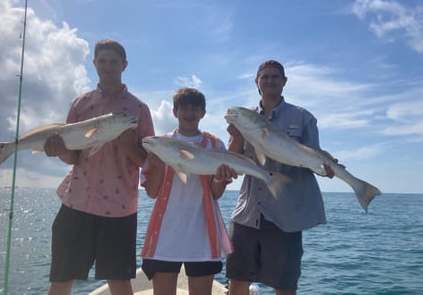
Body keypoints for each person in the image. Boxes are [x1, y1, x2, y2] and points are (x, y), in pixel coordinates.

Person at [43, 39, 154, 295]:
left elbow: (148, 163)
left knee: (120, 282)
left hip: (119, 210)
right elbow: (72, 157)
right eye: (102, 61)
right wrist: (58, 150)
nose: (108, 66)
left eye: (114, 61)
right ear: (94, 64)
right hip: (76, 202)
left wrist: (128, 147)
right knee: (61, 279)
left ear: (124, 65)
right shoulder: (80, 104)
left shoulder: (139, 110)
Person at [225, 60, 336, 295]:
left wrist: (322, 167)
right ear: (257, 82)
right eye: (264, 76)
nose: (270, 80)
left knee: (284, 285)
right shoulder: (245, 117)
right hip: (247, 212)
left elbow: (312, 160)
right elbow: (233, 163)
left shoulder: (304, 117)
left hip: (286, 216)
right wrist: (236, 136)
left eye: (275, 76)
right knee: (237, 278)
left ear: (284, 82)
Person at [140, 87, 237, 295]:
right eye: (184, 108)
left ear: (203, 113)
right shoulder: (161, 143)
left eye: (195, 109)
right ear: (174, 112)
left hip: (202, 235)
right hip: (165, 234)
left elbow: (216, 193)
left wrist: (221, 177)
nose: (189, 113)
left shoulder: (215, 144)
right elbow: (152, 192)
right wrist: (157, 167)